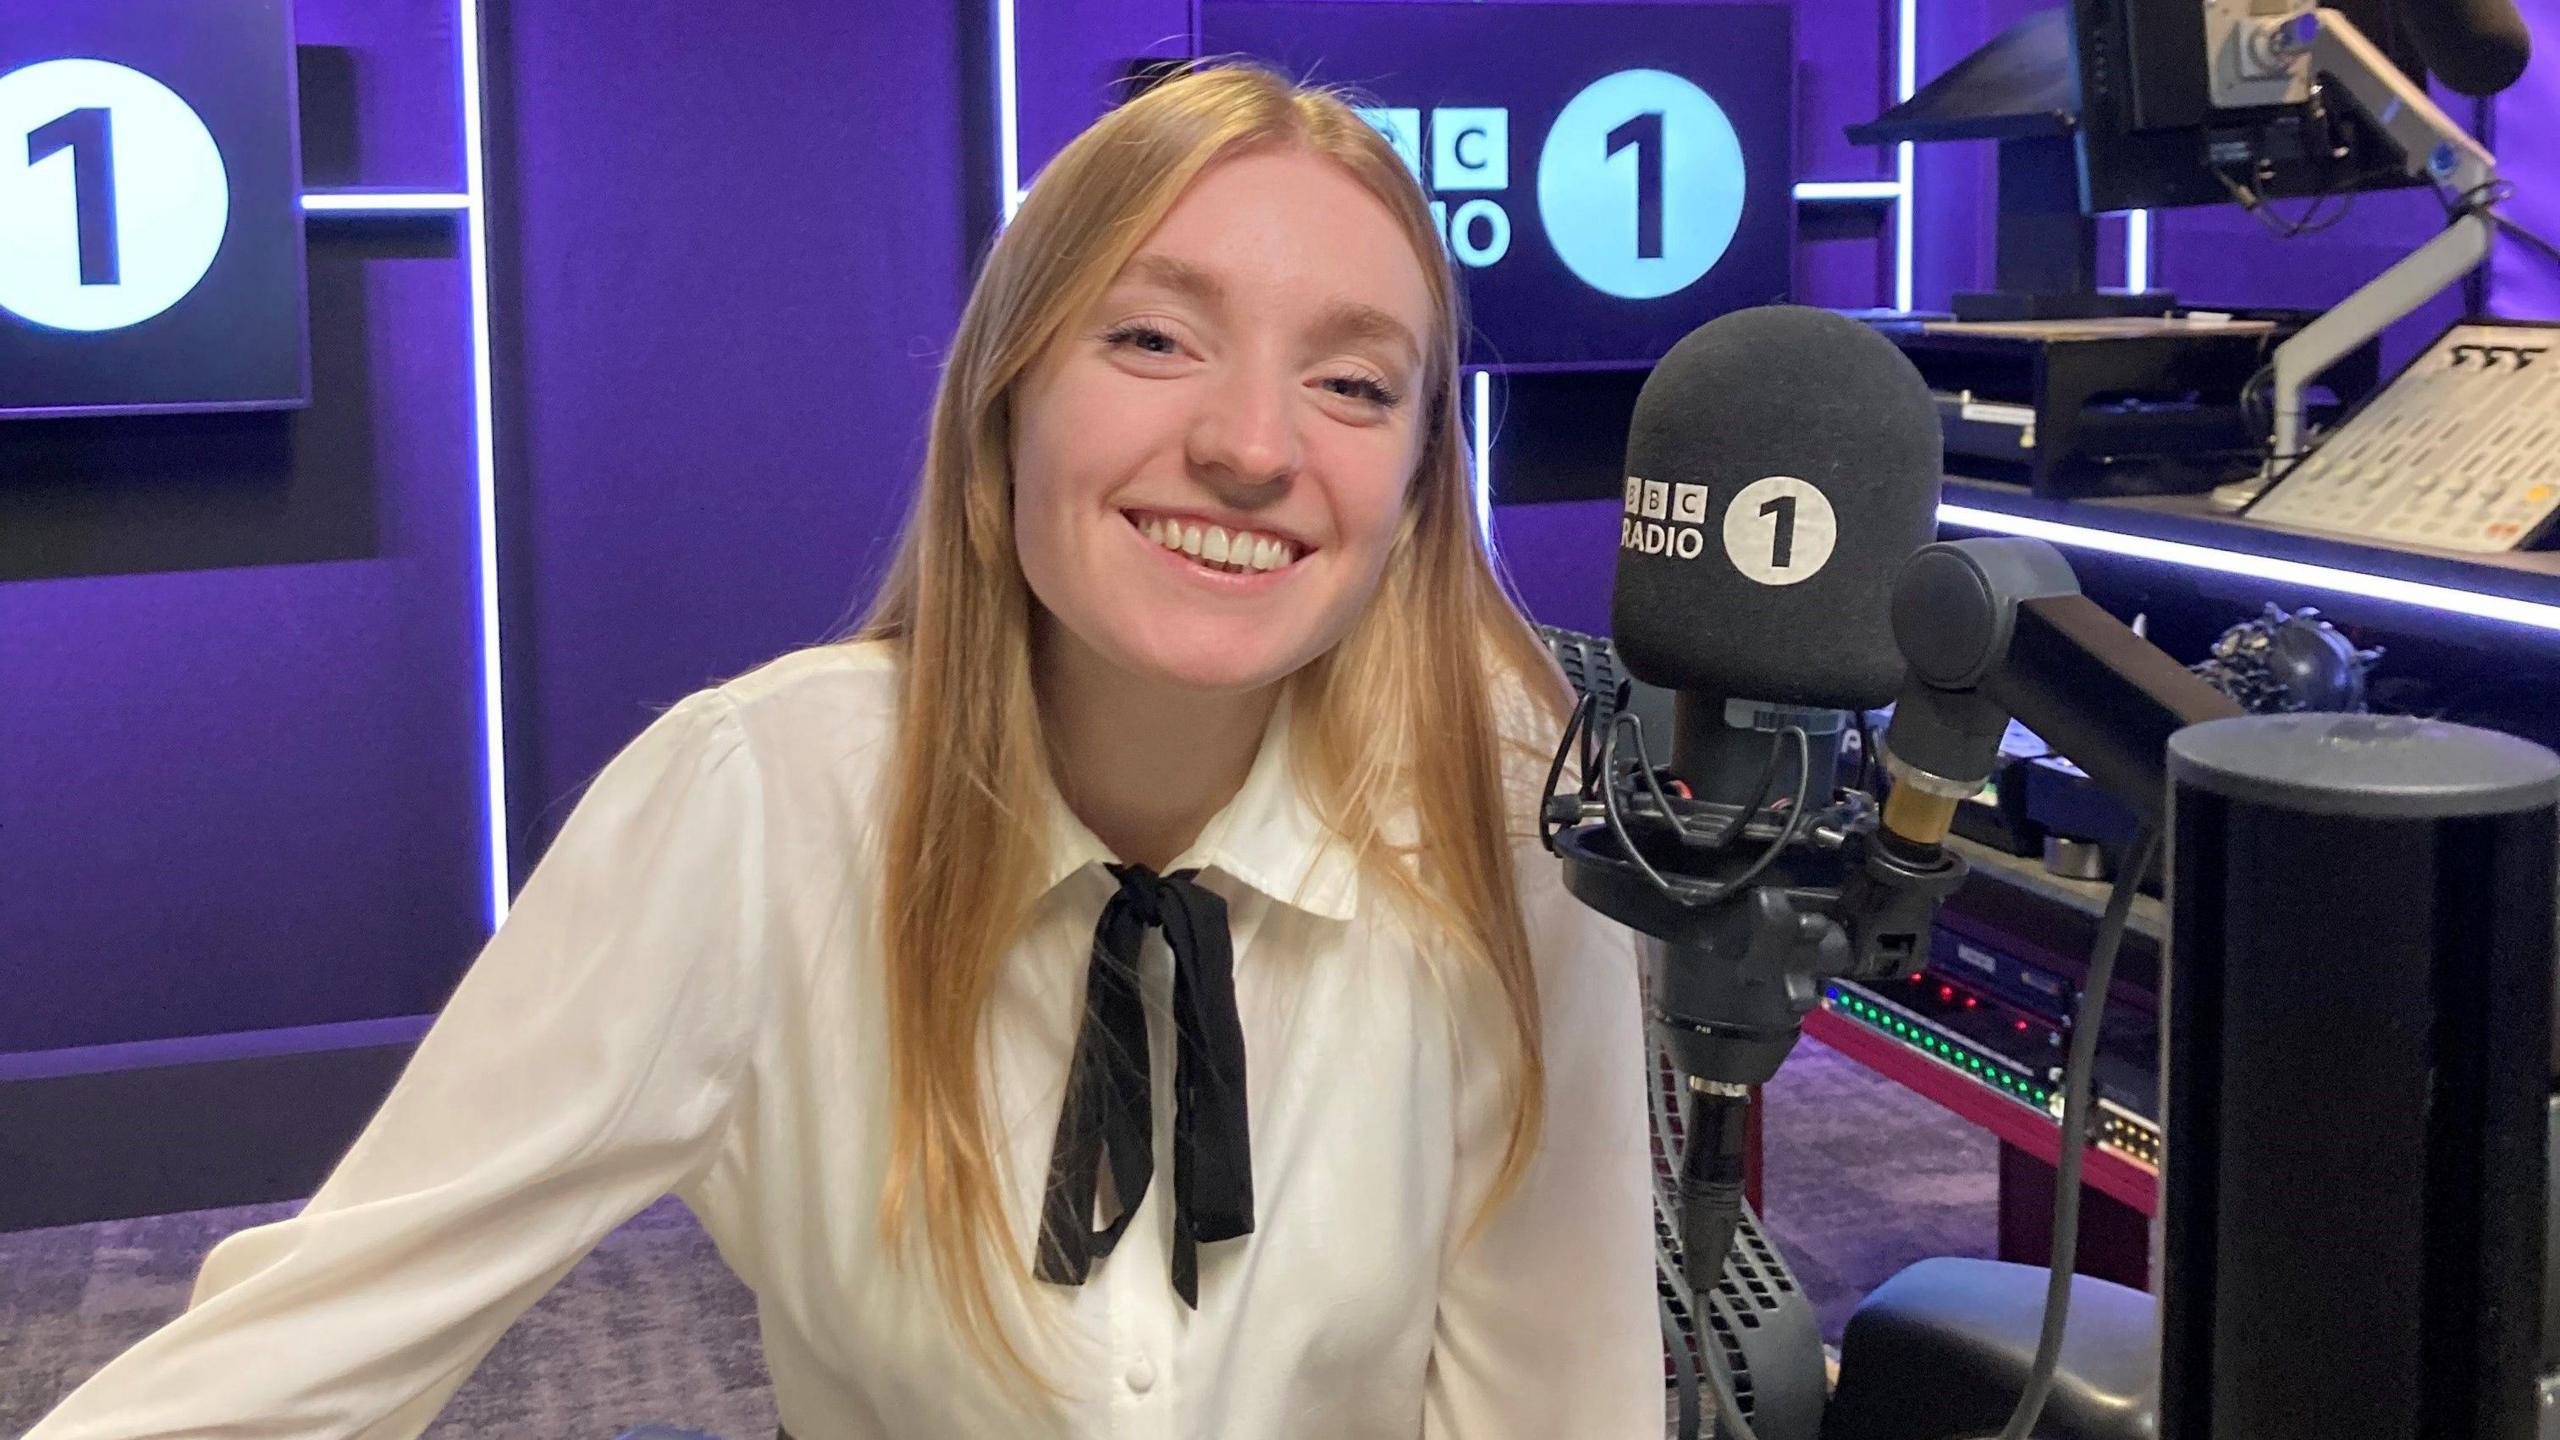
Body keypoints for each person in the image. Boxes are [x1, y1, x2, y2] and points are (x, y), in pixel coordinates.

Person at [24, 62, 1658, 1440]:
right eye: (1153, 340)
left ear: (1417, 485)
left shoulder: (1512, 816)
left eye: (1355, 382)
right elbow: (297, 1359)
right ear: (1004, 397)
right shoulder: (756, 805)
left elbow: (1555, 1397)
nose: (1249, 446)